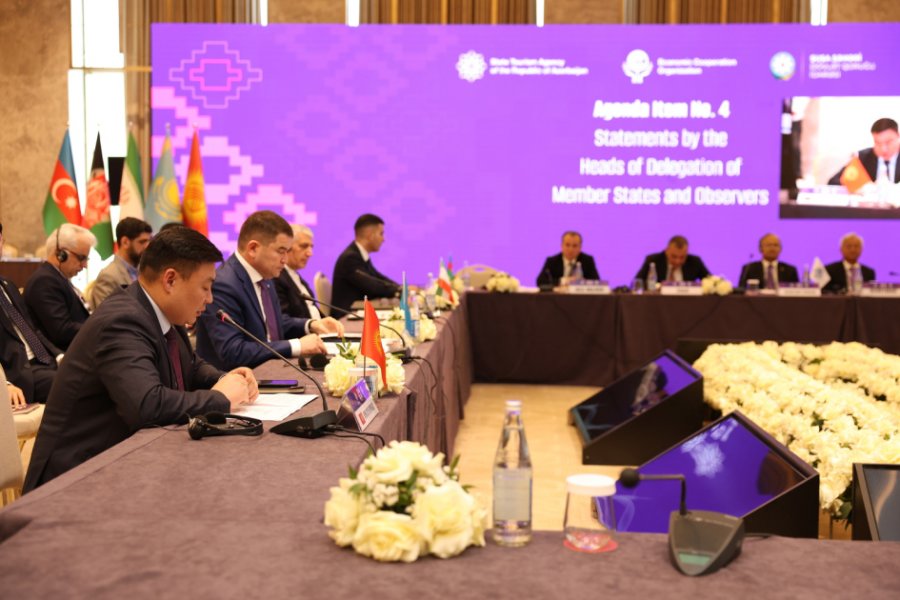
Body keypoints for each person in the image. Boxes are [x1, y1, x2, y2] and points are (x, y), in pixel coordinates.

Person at [23, 227, 258, 491]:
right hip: (75, 480)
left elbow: (190, 367)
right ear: (170, 280)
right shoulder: (122, 320)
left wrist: (226, 379)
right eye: (205, 287)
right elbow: (147, 405)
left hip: (127, 464)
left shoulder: (164, 311)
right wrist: (221, 398)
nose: (210, 298)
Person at [195, 210, 343, 370]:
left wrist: (310, 324)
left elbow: (273, 324)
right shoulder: (224, 284)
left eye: (287, 251)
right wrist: (296, 345)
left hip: (272, 370)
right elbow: (233, 351)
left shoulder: (265, 276)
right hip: (238, 379)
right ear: (253, 248)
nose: (285, 260)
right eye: (281, 251)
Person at [0, 222, 60, 407]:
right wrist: (4, 384)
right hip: (18, 372)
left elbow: (32, 329)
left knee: (89, 373)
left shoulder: (8, 285)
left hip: (44, 361)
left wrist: (59, 356)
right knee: (73, 385)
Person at [24, 223, 95, 351]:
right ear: (61, 254)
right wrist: (100, 327)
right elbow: (62, 331)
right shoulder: (44, 281)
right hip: (64, 357)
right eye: (81, 258)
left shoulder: (57, 278)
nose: (85, 265)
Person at [331, 214, 401, 314]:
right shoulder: (350, 258)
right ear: (370, 235)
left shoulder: (359, 254)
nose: (383, 239)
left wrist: (399, 288)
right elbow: (373, 286)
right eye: (381, 234)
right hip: (346, 316)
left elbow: (378, 278)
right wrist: (398, 290)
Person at [89, 217, 153, 310]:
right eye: (142, 242)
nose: (147, 246)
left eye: (149, 241)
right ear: (125, 242)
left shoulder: (146, 271)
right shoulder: (108, 276)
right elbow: (107, 315)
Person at [828, 118, 900, 185]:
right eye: (877, 143)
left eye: (888, 142)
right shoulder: (863, 157)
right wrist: (860, 185)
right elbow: (833, 181)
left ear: (898, 136)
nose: (883, 149)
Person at [274, 224, 321, 320]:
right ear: (287, 247)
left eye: (311, 247)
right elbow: (282, 320)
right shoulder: (277, 277)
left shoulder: (294, 274)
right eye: (304, 246)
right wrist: (310, 324)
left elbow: (312, 308)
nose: (310, 253)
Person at [635, 235, 710, 287]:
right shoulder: (653, 261)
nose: (678, 261)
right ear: (666, 251)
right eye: (674, 256)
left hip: (687, 303)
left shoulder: (695, 262)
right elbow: (637, 283)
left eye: (682, 257)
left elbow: (711, 282)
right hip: (658, 302)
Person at [536, 231, 600, 287]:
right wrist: (563, 281)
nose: (570, 249)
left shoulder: (587, 261)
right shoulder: (552, 261)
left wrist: (581, 282)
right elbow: (540, 281)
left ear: (580, 248)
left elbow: (597, 282)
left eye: (574, 246)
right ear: (561, 246)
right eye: (567, 245)